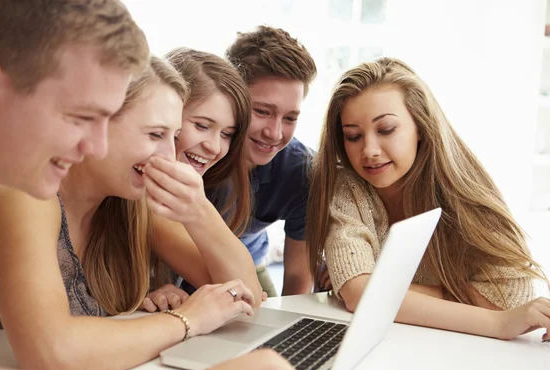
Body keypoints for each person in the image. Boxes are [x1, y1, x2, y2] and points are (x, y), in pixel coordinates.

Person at [0, 1, 298, 370]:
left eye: (173, 135)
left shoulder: (132, 204)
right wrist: (186, 322)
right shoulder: (24, 195)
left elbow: (245, 290)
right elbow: (53, 354)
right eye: (154, 135)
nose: (171, 155)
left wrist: (199, 211)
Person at [306, 57, 550, 341]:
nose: (369, 150)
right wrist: (494, 322)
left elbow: (511, 296)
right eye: (353, 136)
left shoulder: (462, 186)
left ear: (420, 126)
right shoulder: (348, 189)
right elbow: (360, 295)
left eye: (386, 130)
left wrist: (382, 288)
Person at [143, 48, 263, 306]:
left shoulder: (178, 195)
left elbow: (245, 293)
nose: (215, 147)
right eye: (202, 126)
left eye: (227, 134)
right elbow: (246, 294)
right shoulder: (144, 198)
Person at [213, 25, 318, 297]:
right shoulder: (194, 149)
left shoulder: (301, 171)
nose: (275, 133)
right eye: (262, 111)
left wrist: (290, 331)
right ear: (231, 97)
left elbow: (297, 277)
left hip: (249, 263)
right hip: (175, 268)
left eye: (290, 118)